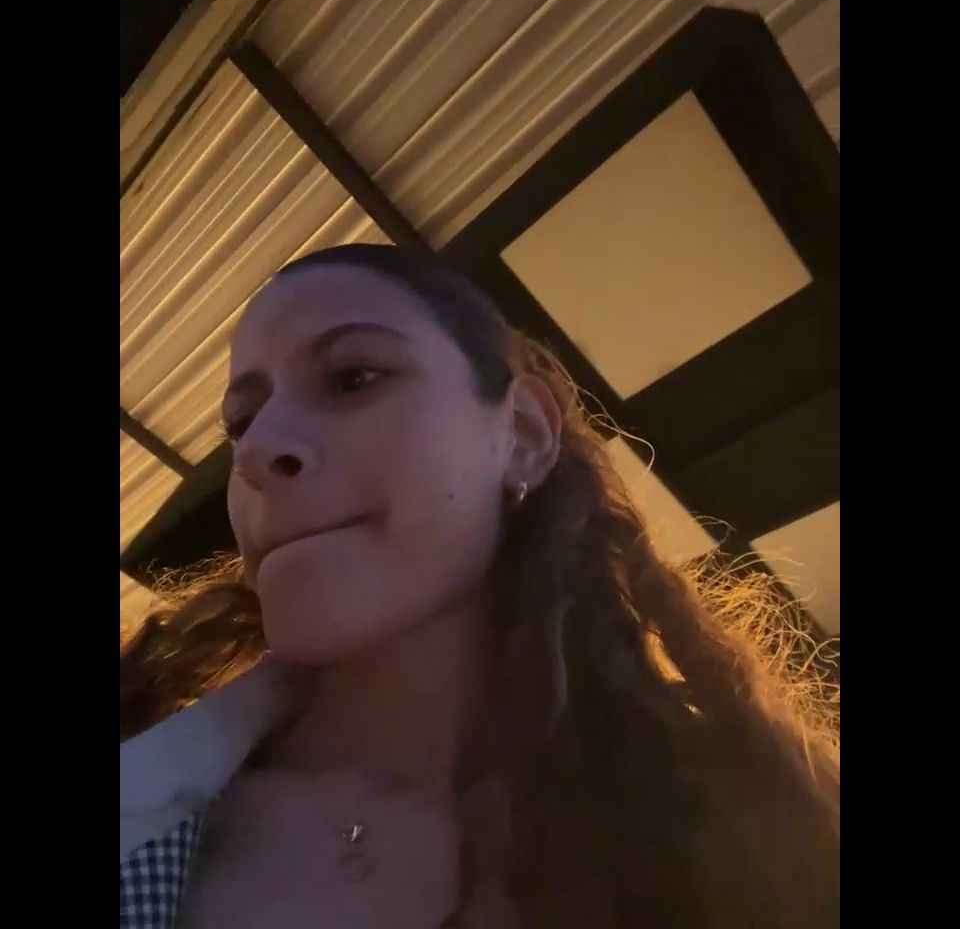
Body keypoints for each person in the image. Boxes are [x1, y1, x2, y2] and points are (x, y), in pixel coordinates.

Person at [120, 244, 840, 928]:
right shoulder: (148, 780)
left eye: (352, 378)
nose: (255, 449)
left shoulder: (753, 840)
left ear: (523, 433)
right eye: (240, 422)